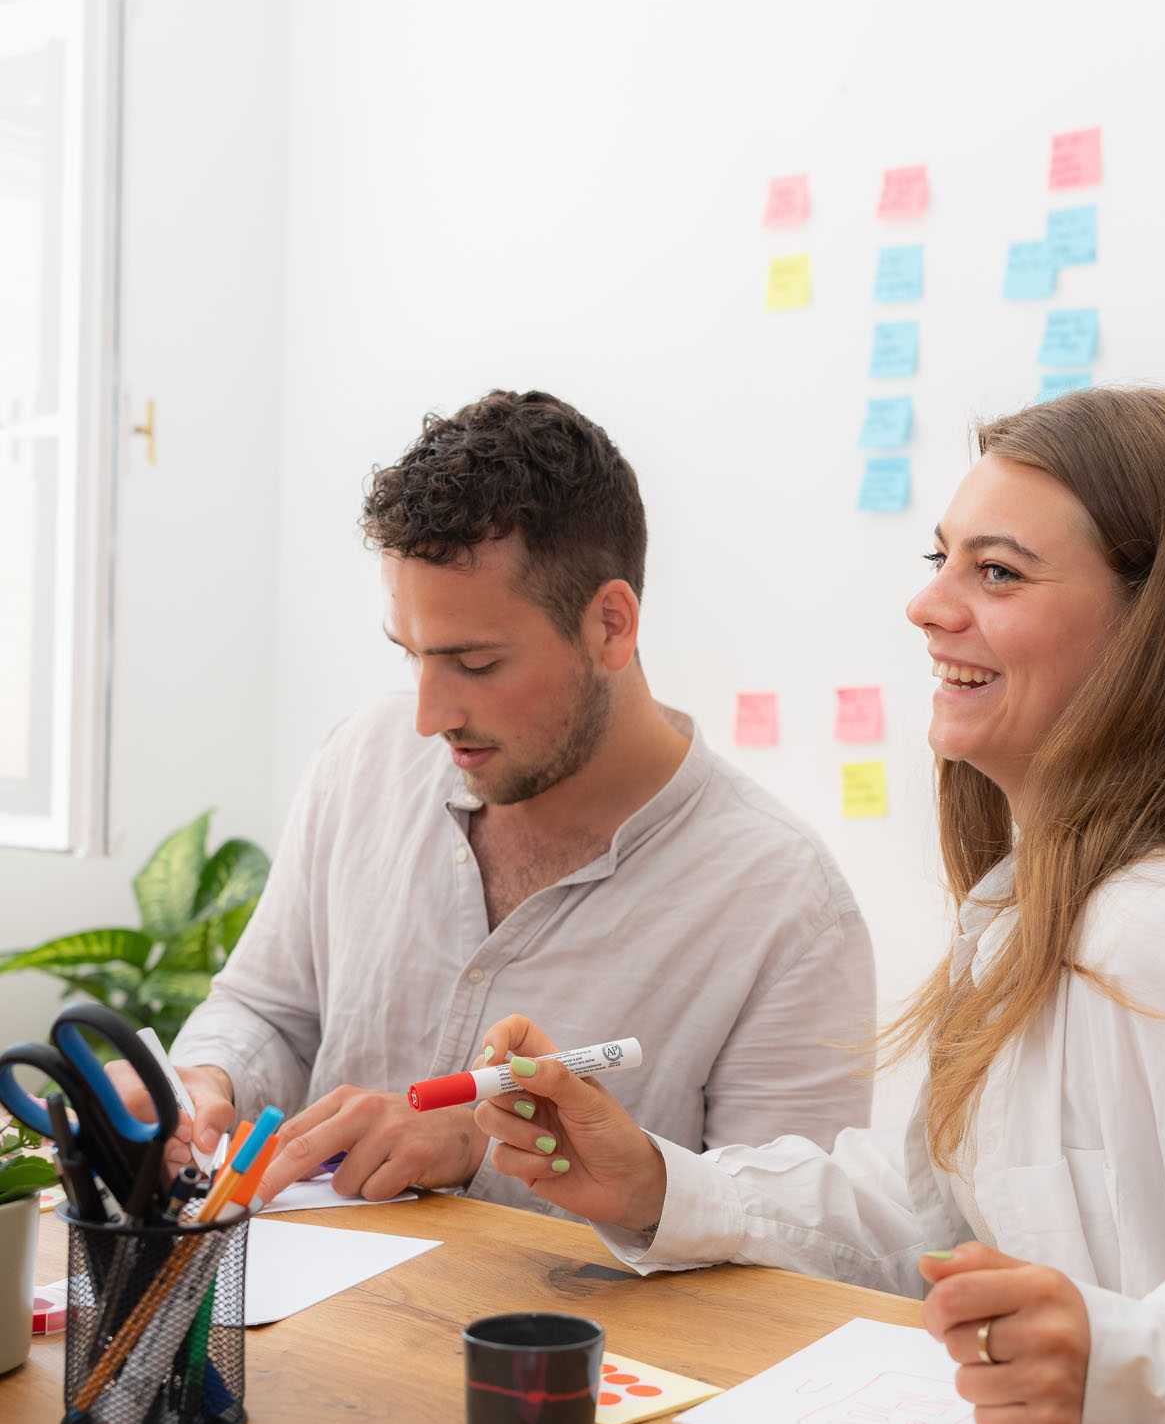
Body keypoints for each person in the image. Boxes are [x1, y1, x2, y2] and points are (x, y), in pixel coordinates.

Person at [462, 387, 1165, 1424]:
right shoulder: (1038, 920)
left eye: (999, 572)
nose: (928, 609)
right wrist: (660, 1185)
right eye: (942, 561)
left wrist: (1156, 1360)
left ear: (1160, 633)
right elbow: (944, 1224)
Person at [144, 390, 874, 1207]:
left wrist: (483, 1151)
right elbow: (269, 1013)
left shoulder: (784, 905)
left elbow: (788, 1247)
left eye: (476, 664)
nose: (429, 716)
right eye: (411, 655)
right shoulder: (363, 764)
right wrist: (210, 1080)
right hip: (304, 1327)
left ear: (611, 626)